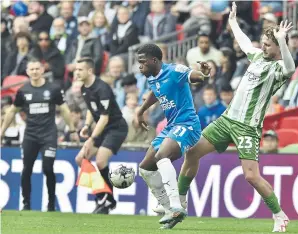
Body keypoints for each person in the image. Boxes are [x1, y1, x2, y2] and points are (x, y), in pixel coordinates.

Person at [174, 2, 296, 232]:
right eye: (264, 43)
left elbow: (291, 68)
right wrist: (231, 22)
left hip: (247, 128)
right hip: (226, 121)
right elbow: (244, 42)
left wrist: (281, 40)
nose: (264, 47)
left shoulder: (278, 67)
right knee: (191, 152)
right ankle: (179, 202)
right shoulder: (258, 57)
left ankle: (279, 215)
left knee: (251, 176)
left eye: (269, 45)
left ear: (278, 46)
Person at [133, 44, 211, 229]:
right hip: (171, 127)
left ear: (154, 60)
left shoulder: (175, 70)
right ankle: (168, 208)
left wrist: (204, 74)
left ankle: (176, 205)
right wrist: (142, 110)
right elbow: (156, 91)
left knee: (161, 155)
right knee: (145, 168)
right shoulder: (153, 77)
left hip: (188, 125)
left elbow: (195, 76)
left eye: (143, 62)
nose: (140, 67)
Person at [0, 58, 79, 211]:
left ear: (43, 70)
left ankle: (50, 204)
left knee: (48, 168)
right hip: (30, 136)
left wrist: (73, 130)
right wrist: (1, 132)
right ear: (28, 72)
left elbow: (64, 110)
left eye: (37, 69)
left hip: (48, 135)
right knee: (26, 169)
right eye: (32, 69)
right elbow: (12, 112)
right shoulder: (23, 91)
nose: (35, 72)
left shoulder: (53, 89)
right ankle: (26, 204)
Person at [74, 57, 128, 214]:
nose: (76, 72)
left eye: (80, 70)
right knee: (80, 159)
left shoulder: (102, 88)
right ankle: (102, 196)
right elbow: (92, 110)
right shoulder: (84, 88)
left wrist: (91, 139)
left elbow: (104, 117)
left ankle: (109, 199)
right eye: (76, 70)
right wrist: (86, 125)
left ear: (89, 71)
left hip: (116, 128)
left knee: (100, 160)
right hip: (102, 128)